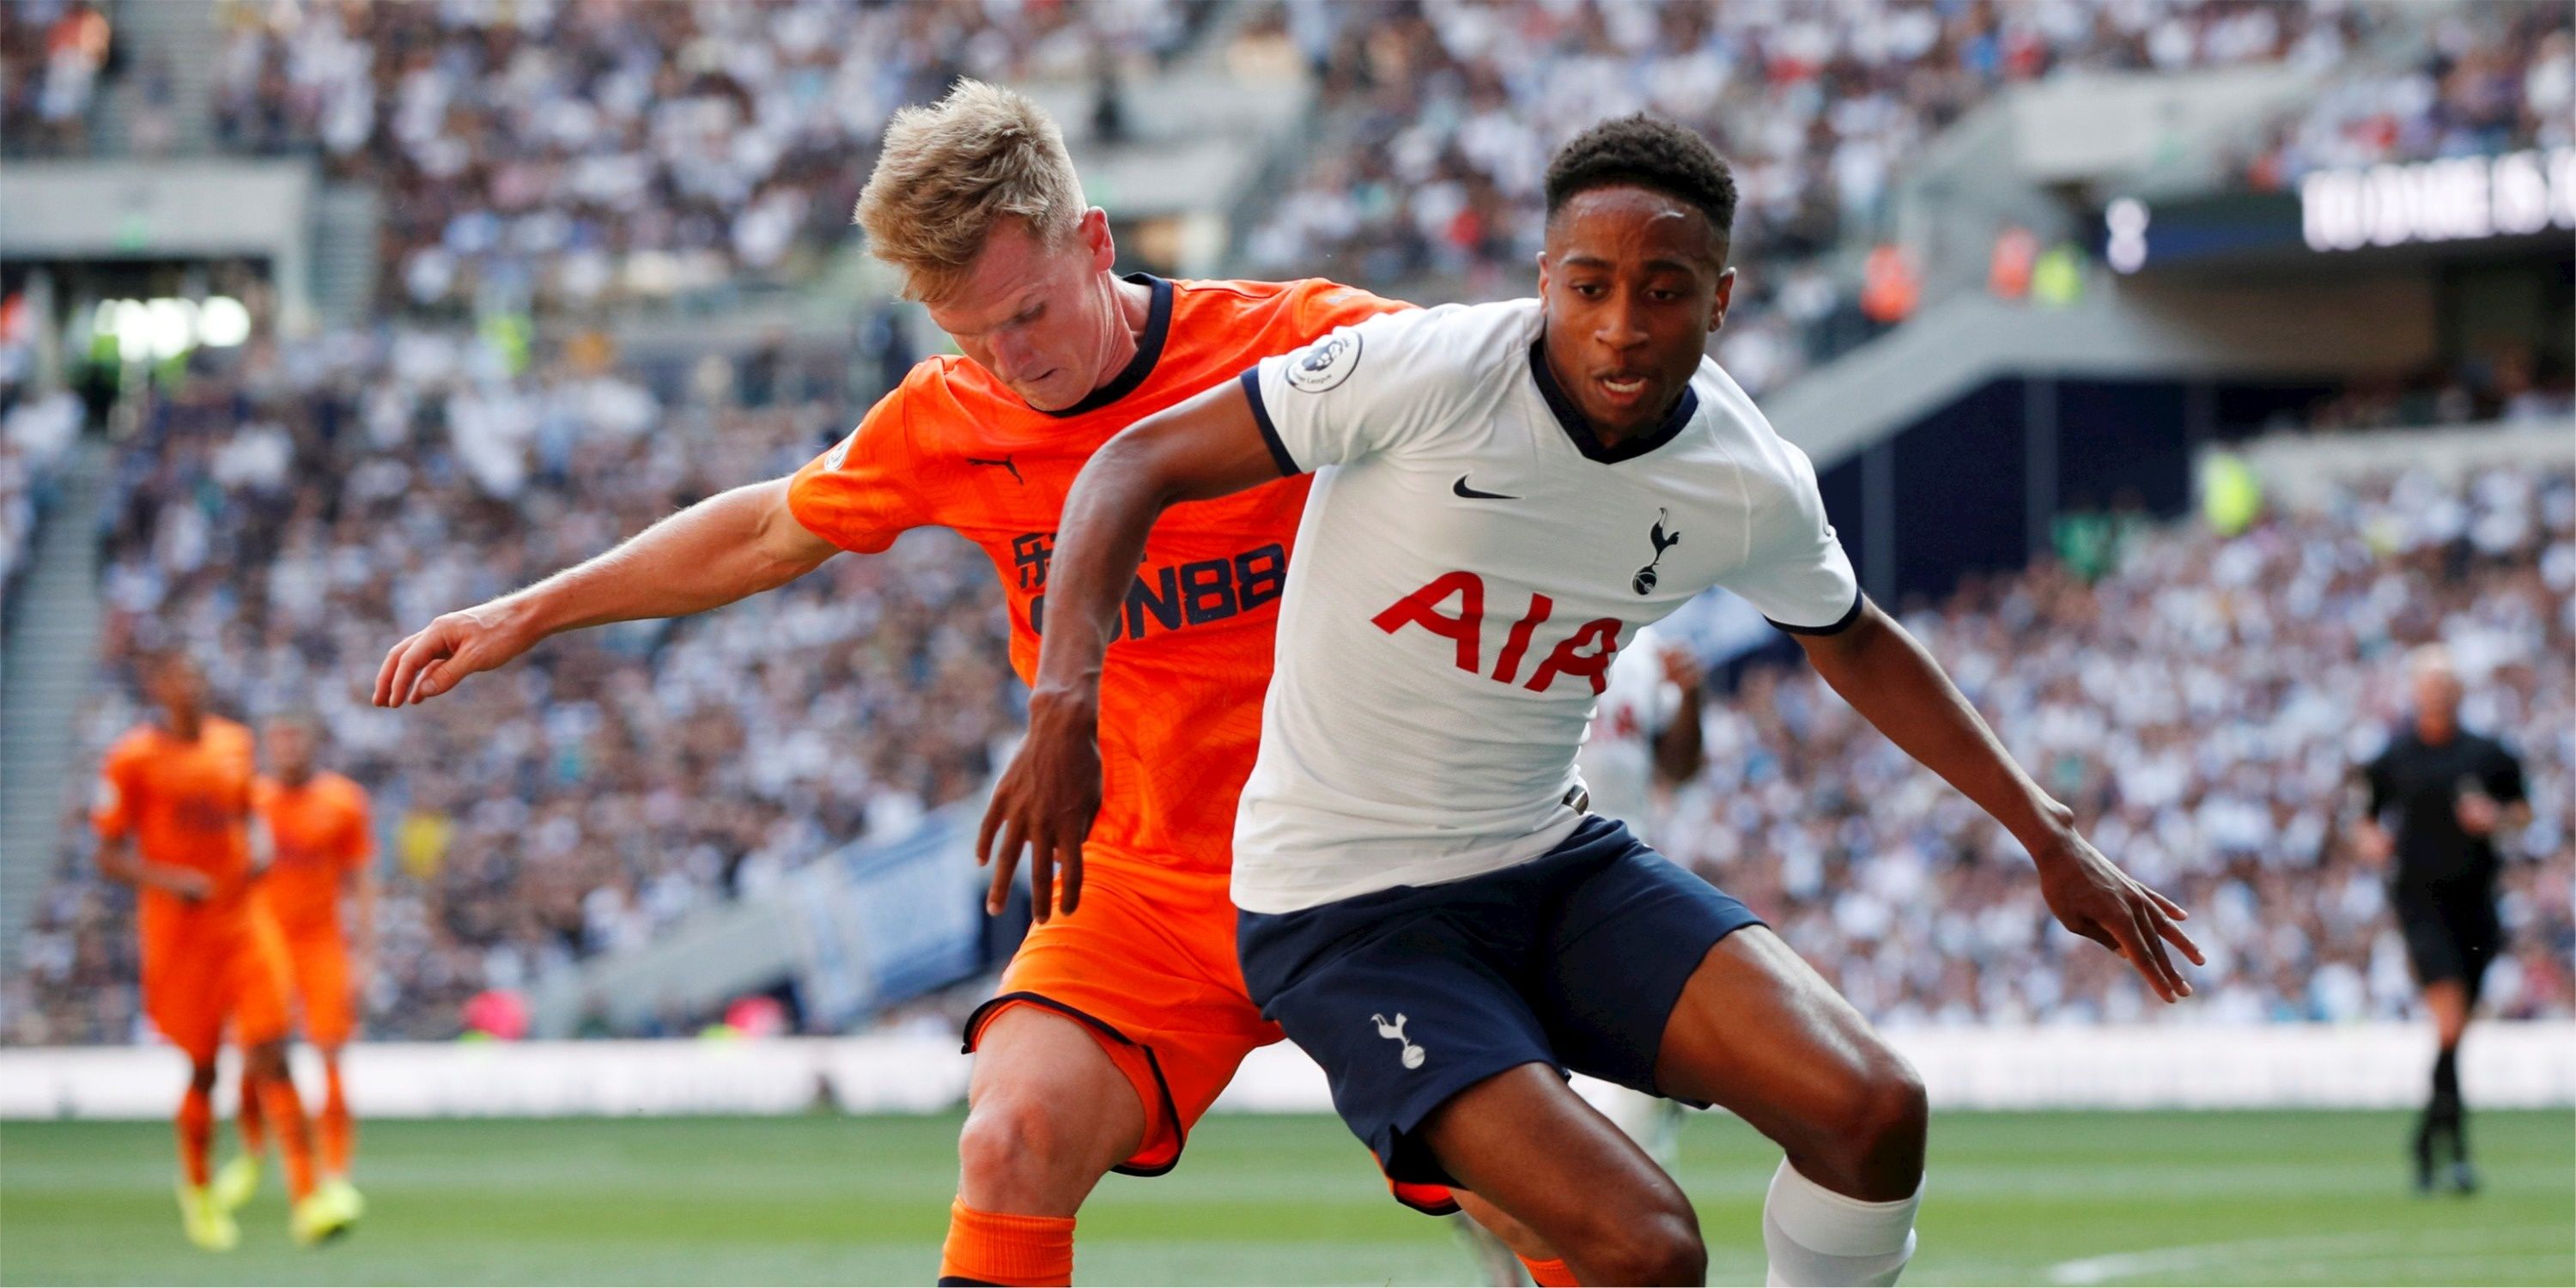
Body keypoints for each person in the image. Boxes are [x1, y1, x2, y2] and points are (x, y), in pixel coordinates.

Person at [984, 114, 2201, 1286]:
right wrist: (1063, 703)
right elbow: (1130, 463)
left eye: (1665, 289)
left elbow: (1857, 640)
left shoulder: (1744, 475)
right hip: (1347, 911)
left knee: (1875, 1113)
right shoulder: (1427, 372)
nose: (1622, 326)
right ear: (1545, 280)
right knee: (1648, 1246)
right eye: (1588, 285)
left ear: (1721, 301)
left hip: (1551, 863)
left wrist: (2047, 833)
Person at [374, 80, 1470, 1286]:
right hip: (1146, 888)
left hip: (1370, 868)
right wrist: (529, 610)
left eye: (1030, 312)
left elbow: (1517, 409)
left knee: (1552, 1210)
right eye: (970, 335)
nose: (1012, 360)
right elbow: (762, 533)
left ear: (1095, 240)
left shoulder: (1305, 344)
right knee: (1009, 1136)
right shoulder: (951, 415)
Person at [1455, 623, 1705, 1286]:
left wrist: (1693, 701)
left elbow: (1678, 767)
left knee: (1621, 1132)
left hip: (1621, 891)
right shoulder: (1515, 623)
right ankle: (1519, 1259)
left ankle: (1591, 1258)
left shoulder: (1644, 643)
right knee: (1501, 1123)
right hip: (1517, 889)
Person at [92, 653, 354, 1249]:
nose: (192, 687)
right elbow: (106, 854)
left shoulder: (233, 743)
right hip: (182, 935)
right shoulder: (133, 759)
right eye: (180, 677)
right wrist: (170, 880)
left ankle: (309, 1198)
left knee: (272, 1050)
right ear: (159, 687)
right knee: (205, 1069)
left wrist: (258, 844)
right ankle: (200, 1190)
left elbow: (244, 814)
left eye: (198, 677)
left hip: (243, 921)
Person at [2354, 645, 2529, 1194]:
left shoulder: (2489, 754)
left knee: (2456, 1033)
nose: (2437, 693)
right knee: (2450, 1022)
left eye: (2446, 683)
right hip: (2421, 903)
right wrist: (2373, 841)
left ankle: (2428, 1140)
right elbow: (2365, 815)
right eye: (2429, 684)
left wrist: (2494, 817)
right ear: (2415, 692)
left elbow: (2522, 810)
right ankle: (2455, 1152)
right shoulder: (2394, 756)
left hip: (2476, 904)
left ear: (2458, 692)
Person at [217, 714, 374, 1218]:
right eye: (279, 737)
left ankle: (336, 1175)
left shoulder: (343, 801)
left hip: (321, 943)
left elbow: (362, 879)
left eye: (296, 735)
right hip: (262, 944)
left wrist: (366, 955)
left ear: (313, 741)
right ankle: (252, 1152)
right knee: (254, 1052)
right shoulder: (252, 801)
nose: (287, 746)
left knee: (330, 1051)